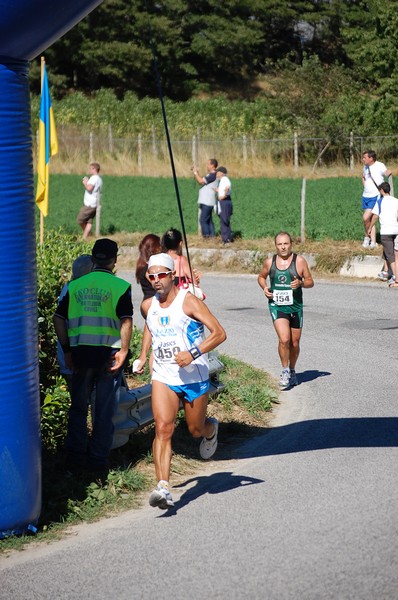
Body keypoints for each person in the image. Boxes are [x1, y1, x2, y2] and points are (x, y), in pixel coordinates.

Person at [134, 252, 226, 509]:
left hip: (193, 374)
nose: (156, 280)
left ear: (172, 275)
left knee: (195, 429)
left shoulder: (190, 302)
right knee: (163, 428)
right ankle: (163, 487)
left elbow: (219, 333)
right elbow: (151, 328)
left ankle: (211, 430)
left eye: (161, 275)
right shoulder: (148, 305)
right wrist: (143, 356)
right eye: (151, 276)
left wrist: (193, 353)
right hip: (164, 375)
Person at [53, 238, 133, 476]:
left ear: (93, 258)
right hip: (108, 356)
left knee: (78, 409)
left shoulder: (76, 286)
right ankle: (97, 465)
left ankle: (74, 462)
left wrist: (67, 350)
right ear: (114, 260)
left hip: (79, 356)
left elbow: (58, 318)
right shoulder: (120, 286)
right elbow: (126, 320)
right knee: (103, 411)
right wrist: (125, 350)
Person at [257, 231, 314, 390]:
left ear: (291, 245)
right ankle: (284, 371)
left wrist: (301, 283)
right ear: (276, 246)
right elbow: (261, 277)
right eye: (280, 244)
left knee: (294, 343)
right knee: (284, 339)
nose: (283, 247)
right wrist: (265, 288)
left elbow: (310, 282)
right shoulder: (270, 262)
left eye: (286, 244)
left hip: (295, 306)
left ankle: (293, 370)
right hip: (277, 305)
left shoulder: (300, 261)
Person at [56, 254, 93, 390]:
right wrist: (68, 353)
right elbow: (59, 319)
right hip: (74, 357)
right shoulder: (76, 291)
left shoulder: (68, 288)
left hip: (70, 356)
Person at [368, 182, 398, 287]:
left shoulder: (380, 201)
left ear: (381, 190)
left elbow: (375, 216)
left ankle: (395, 277)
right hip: (396, 230)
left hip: (386, 231)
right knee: (395, 255)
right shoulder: (396, 201)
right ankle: (388, 273)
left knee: (390, 256)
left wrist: (370, 227)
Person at [361, 150, 391, 249]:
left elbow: (386, 172)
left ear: (371, 158)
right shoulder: (365, 167)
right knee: (369, 219)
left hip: (375, 195)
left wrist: (388, 173)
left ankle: (366, 237)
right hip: (366, 196)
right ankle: (373, 242)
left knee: (366, 218)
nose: (363, 159)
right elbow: (363, 177)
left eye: (365, 157)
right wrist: (365, 186)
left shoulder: (379, 165)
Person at [135, 233, 162, 318]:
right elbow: (157, 284)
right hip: (153, 303)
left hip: (147, 301)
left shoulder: (141, 265)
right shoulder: (149, 268)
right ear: (154, 248)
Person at [192, 158, 218, 238]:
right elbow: (202, 180)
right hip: (207, 201)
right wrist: (197, 172)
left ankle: (206, 238)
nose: (207, 166)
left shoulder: (213, 175)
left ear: (212, 165)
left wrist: (195, 173)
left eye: (208, 164)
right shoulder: (211, 175)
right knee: (209, 220)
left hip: (207, 201)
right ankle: (212, 237)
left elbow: (200, 181)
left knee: (203, 220)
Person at [76, 162, 103, 240]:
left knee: (80, 220)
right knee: (89, 221)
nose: (89, 170)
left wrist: (85, 182)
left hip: (90, 204)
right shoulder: (99, 179)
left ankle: (86, 235)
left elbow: (89, 188)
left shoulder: (94, 178)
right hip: (95, 203)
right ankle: (87, 236)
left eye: (90, 168)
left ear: (94, 169)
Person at [215, 166, 233, 245]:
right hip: (223, 201)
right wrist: (218, 191)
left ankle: (227, 239)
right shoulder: (222, 180)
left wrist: (224, 196)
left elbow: (227, 188)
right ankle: (225, 239)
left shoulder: (225, 179)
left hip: (225, 201)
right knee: (223, 220)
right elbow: (224, 189)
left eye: (218, 172)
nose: (216, 174)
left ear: (221, 173)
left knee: (225, 220)